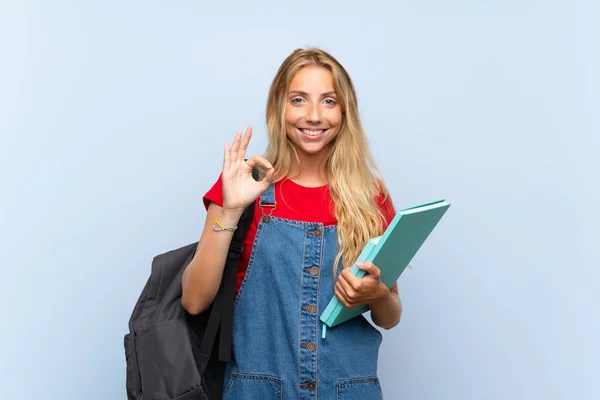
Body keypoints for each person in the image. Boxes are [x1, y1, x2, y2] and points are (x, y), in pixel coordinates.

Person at [182, 48, 402, 399]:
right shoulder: (244, 185)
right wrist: (229, 210)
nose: (313, 116)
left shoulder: (370, 196)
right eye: (298, 100)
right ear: (278, 109)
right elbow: (193, 301)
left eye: (328, 101)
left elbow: (390, 316)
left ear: (345, 112)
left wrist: (377, 295)